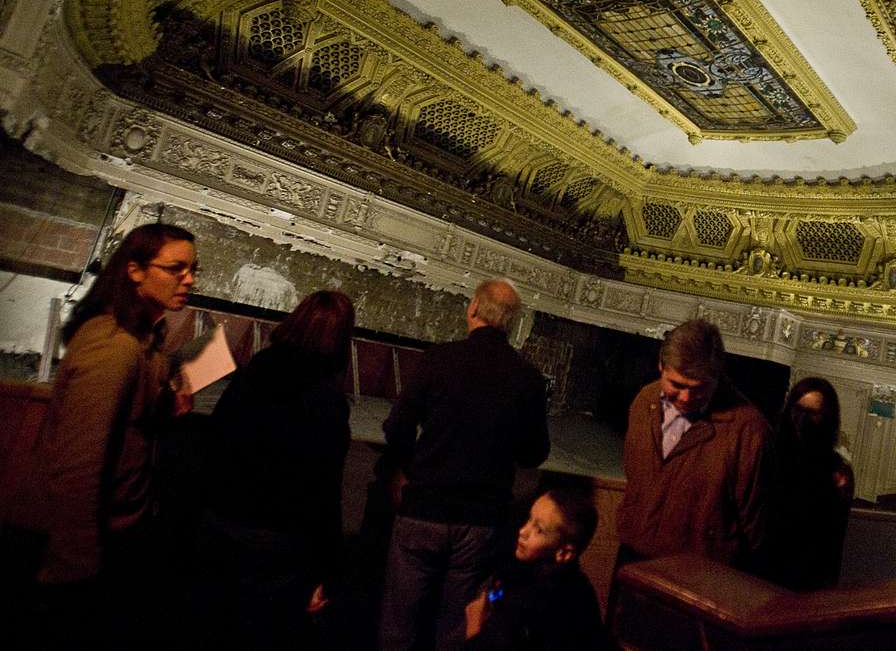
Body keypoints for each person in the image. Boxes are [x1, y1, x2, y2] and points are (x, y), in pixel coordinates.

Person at [36, 222, 197, 647]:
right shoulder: (114, 346)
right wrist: (75, 566)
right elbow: (78, 464)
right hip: (101, 543)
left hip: (126, 527)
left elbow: (132, 420)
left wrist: (166, 405)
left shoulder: (144, 338)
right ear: (135, 271)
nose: (189, 280)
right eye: (176, 269)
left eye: (193, 269)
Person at [380, 279, 550, 651]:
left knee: (399, 622)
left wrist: (411, 471)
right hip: (482, 521)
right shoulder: (528, 379)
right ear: (510, 323)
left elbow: (397, 429)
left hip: (423, 508)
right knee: (459, 627)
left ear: (472, 308)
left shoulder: (437, 359)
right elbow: (534, 454)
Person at [194, 290, 355, 648]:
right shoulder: (327, 401)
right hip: (278, 547)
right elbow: (323, 494)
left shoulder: (257, 369)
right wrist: (328, 571)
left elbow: (216, 439)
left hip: (222, 523)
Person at [616, 319, 772, 571]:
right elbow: (635, 474)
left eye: (699, 388)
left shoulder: (748, 430)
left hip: (699, 575)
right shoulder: (645, 401)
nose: (686, 398)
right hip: (634, 557)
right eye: (676, 385)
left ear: (717, 378)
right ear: (661, 367)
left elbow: (756, 526)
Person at [462, 488, 607, 650]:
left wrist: (474, 625)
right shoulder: (581, 584)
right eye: (529, 520)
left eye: (539, 530)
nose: (523, 531)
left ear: (564, 553)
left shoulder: (528, 597)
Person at [765, 377, 855, 590]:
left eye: (813, 413)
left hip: (805, 578)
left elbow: (834, 539)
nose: (802, 420)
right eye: (798, 409)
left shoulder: (837, 471)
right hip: (762, 567)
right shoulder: (768, 452)